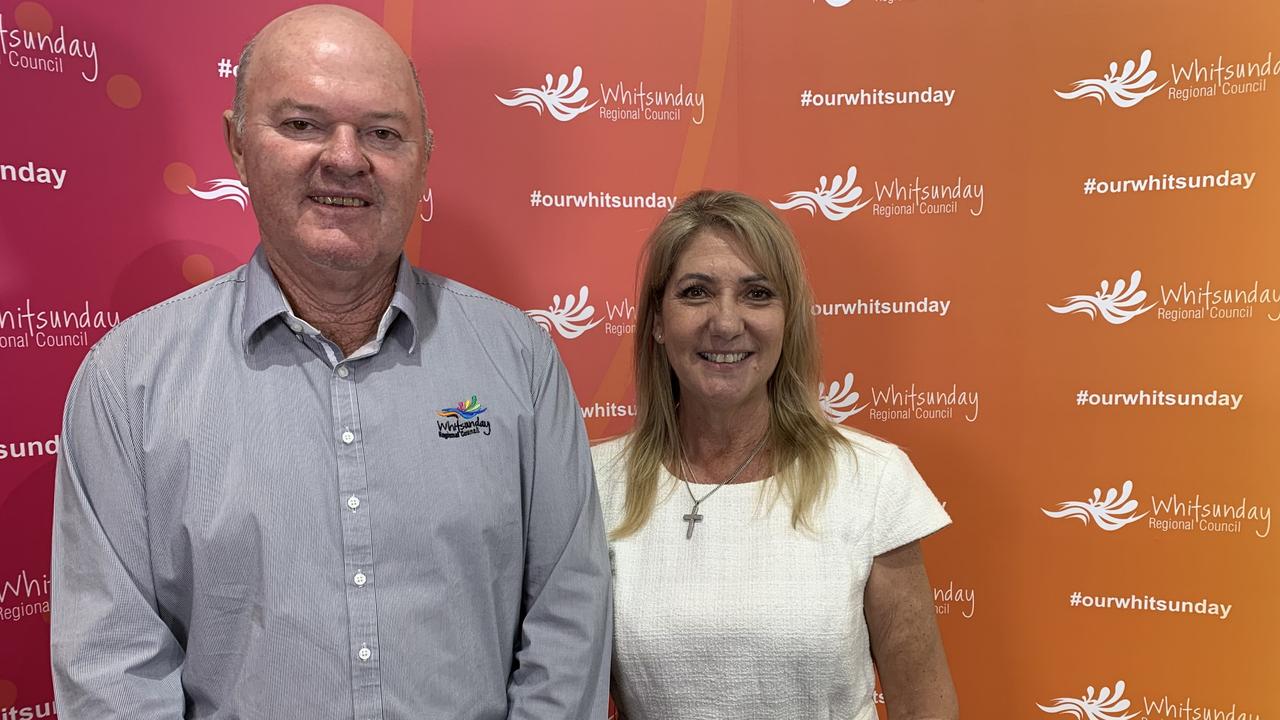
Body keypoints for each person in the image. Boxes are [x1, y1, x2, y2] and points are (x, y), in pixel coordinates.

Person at [49, 6, 610, 718]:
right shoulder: (126, 384)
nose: (346, 158)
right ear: (237, 145)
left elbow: (568, 622)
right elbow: (111, 673)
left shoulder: (518, 360)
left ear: (424, 157)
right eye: (303, 124)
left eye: (382, 133)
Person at [592, 190, 958, 720]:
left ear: (788, 320)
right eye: (696, 292)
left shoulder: (871, 480)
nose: (725, 322)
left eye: (757, 294)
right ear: (656, 321)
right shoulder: (596, 485)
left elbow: (923, 706)